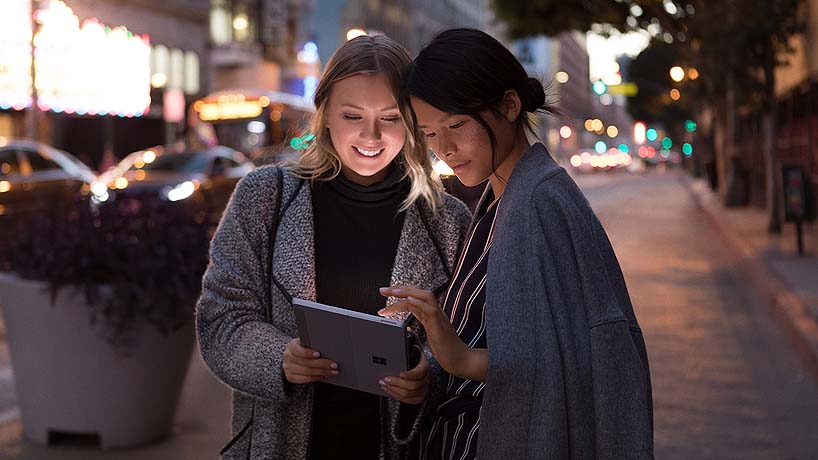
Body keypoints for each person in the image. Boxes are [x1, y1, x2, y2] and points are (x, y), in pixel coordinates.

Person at [379, 28, 654, 460]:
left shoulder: (540, 200)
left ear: (509, 105)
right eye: (430, 135)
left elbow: (573, 357)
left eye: (456, 125)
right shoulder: (501, 196)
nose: (446, 148)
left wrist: (459, 359)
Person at [196, 34, 471, 460]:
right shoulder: (265, 196)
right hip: (283, 442)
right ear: (324, 115)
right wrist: (278, 358)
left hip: (402, 446)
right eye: (352, 115)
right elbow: (220, 318)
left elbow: (473, 342)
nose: (371, 134)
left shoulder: (447, 220)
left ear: (414, 121)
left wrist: (428, 377)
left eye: (391, 117)